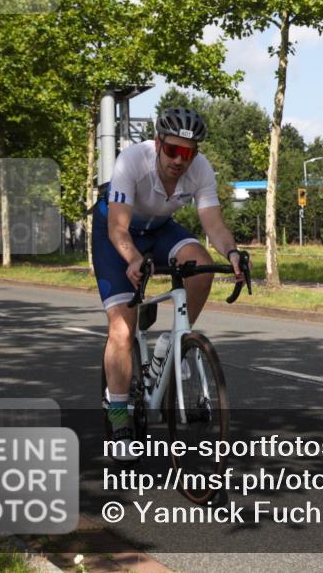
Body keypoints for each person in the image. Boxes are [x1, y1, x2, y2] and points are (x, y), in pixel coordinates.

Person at [95, 107, 244, 461]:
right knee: (121, 329)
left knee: (203, 265)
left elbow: (213, 223)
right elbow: (118, 227)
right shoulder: (131, 161)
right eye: (173, 150)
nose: (180, 160)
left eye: (188, 153)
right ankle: (119, 419)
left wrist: (233, 251)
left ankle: (174, 340)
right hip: (116, 235)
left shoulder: (201, 169)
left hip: (159, 230)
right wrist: (132, 258)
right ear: (158, 143)